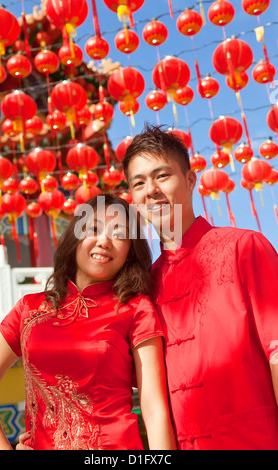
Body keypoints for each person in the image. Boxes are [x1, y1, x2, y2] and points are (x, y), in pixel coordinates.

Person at [0, 193, 176, 451]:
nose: (104, 241)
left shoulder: (135, 309)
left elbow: (154, 407)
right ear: (75, 237)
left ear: (130, 251)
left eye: (119, 234)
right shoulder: (29, 309)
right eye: (93, 228)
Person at [123, 124, 278, 450]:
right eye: (139, 183)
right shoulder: (144, 287)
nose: (150, 190)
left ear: (191, 180)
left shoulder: (243, 248)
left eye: (161, 176)